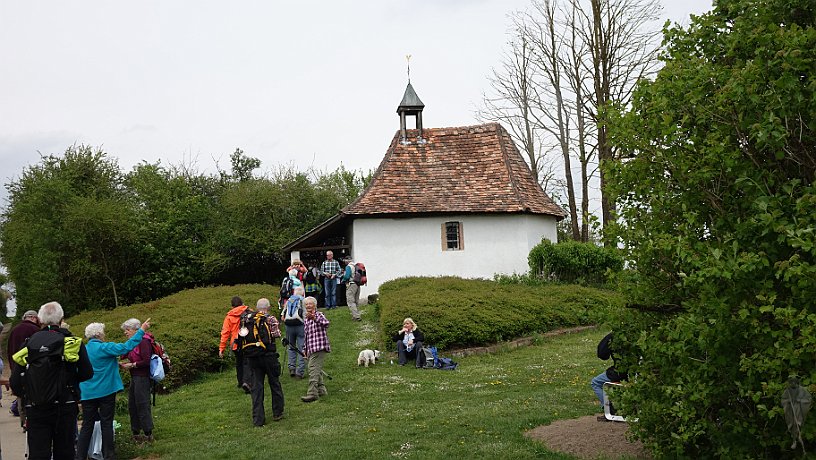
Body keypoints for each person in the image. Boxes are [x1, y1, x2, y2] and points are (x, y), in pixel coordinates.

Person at [10, 301, 94, 460]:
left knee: (38, 453)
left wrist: (29, 394)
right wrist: (70, 381)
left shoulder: (29, 343)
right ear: (62, 319)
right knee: (65, 452)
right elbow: (87, 373)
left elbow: (15, 382)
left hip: (36, 407)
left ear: (40, 320)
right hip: (65, 405)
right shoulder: (71, 342)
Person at [75, 318, 151, 459]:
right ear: (98, 335)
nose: (104, 335)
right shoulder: (105, 347)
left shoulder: (83, 350)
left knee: (87, 426)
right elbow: (126, 347)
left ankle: (80, 456)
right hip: (105, 392)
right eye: (103, 333)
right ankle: (109, 455)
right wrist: (142, 330)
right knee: (106, 423)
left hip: (87, 393)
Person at [247, 298, 285, 426]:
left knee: (257, 388)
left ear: (257, 308)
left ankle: (258, 419)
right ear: (268, 307)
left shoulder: (249, 319)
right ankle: (277, 412)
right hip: (268, 356)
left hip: (253, 357)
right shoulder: (271, 319)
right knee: (274, 383)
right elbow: (276, 334)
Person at [121, 318, 157, 442]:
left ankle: (148, 434)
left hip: (142, 377)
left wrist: (132, 365)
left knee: (142, 404)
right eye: (125, 330)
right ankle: (136, 433)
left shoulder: (143, 341)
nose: (125, 332)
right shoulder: (132, 342)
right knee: (132, 405)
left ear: (136, 330)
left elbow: (146, 361)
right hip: (134, 377)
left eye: (128, 330)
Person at [6, 309, 41, 425]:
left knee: (20, 394)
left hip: (16, 367)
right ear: (33, 318)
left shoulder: (14, 330)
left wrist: (12, 367)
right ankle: (32, 421)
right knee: (33, 394)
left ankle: (23, 420)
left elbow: (9, 350)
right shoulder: (35, 330)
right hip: (32, 368)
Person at [590, 332, 628, 421]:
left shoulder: (613, 336)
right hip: (638, 372)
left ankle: (609, 410)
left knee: (596, 382)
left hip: (619, 372)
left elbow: (602, 354)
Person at [219, 296, 252, 393]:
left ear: (232, 305)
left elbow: (225, 333)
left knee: (239, 363)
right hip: (248, 342)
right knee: (247, 362)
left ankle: (240, 381)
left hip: (235, 344)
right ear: (242, 303)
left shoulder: (229, 317)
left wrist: (221, 348)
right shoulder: (249, 312)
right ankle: (247, 382)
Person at [301, 296, 330, 403]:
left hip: (319, 347)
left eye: (310, 303)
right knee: (315, 368)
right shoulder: (306, 320)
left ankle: (312, 393)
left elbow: (326, 324)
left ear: (315, 305)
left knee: (313, 369)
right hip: (311, 348)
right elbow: (306, 336)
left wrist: (315, 318)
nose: (308, 305)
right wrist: (305, 349)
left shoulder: (319, 315)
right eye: (306, 304)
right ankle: (322, 390)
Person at [281, 287, 306, 379]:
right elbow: (305, 315)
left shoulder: (289, 300)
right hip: (300, 326)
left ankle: (291, 368)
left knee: (291, 347)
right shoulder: (303, 300)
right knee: (301, 348)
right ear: (303, 293)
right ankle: (299, 372)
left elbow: (282, 316)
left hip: (289, 326)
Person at [341, 256, 361, 321]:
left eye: (345, 260)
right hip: (358, 284)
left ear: (347, 260)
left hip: (352, 284)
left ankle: (356, 317)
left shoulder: (348, 266)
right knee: (356, 301)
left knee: (350, 301)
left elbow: (347, 276)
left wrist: (343, 280)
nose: (344, 261)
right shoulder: (356, 266)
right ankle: (356, 314)